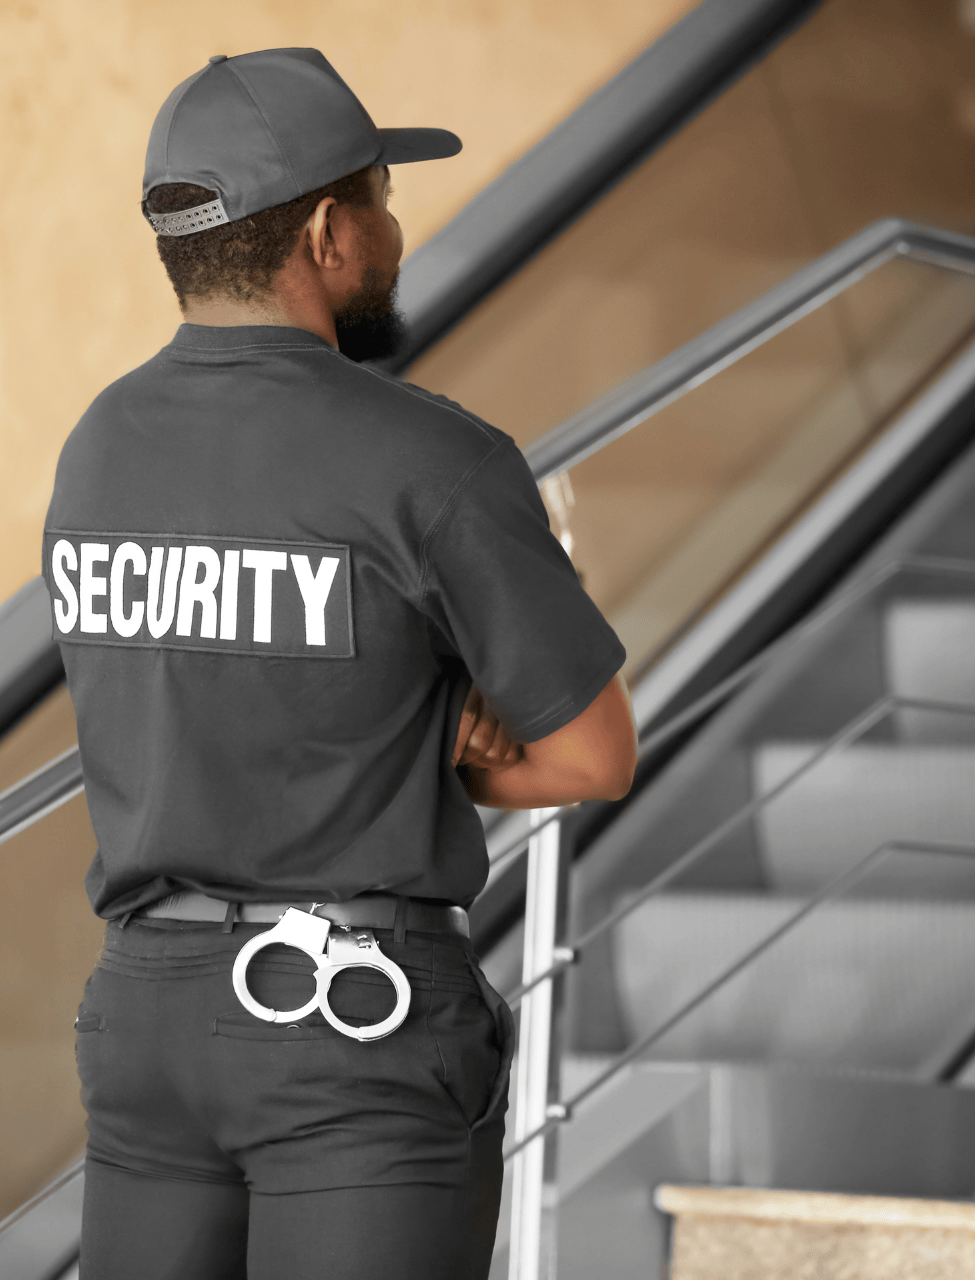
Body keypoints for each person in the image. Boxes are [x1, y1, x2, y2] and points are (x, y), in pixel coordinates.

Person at [43, 47, 638, 1280]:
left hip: (145, 1015)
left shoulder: (98, 447)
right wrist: (447, 759)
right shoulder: (430, 459)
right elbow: (597, 751)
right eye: (381, 197)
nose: (394, 229)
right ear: (327, 231)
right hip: (345, 1025)